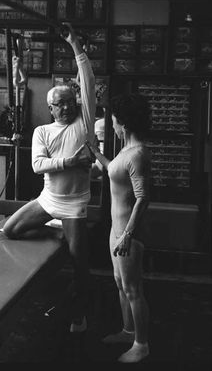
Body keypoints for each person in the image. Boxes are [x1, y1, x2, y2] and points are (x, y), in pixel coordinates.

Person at [2, 22, 96, 332]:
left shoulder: (84, 122)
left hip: (74, 206)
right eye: (61, 103)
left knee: (80, 265)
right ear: (50, 107)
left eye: (72, 101)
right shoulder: (42, 131)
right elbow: (38, 166)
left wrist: (74, 44)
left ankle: (80, 313)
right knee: (11, 230)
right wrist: (73, 160)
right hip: (47, 200)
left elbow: (88, 81)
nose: (67, 106)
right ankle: (56, 229)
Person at [85, 93, 151, 363]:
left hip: (128, 234)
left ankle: (141, 344)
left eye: (112, 121)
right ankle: (128, 331)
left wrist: (127, 235)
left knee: (133, 288)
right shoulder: (126, 151)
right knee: (121, 284)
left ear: (122, 123)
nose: (111, 125)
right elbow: (114, 169)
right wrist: (96, 153)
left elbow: (143, 198)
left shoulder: (137, 154)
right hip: (117, 230)